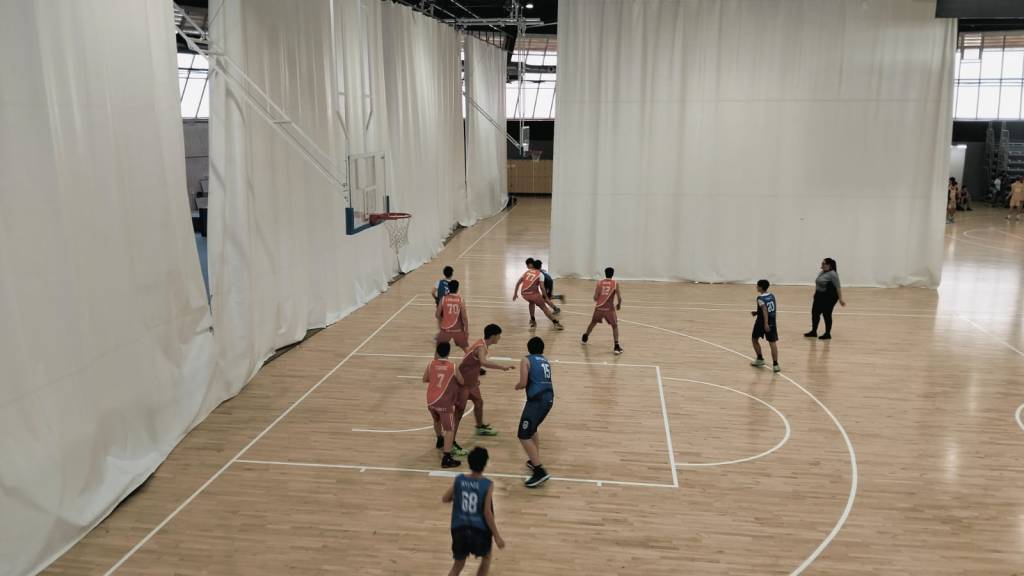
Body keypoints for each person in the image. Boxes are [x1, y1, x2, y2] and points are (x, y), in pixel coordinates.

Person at [442, 447, 505, 576]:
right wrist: (497, 535)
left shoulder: (459, 480)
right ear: (485, 464)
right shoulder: (487, 484)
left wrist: (459, 496)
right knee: (486, 558)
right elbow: (487, 512)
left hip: (459, 529)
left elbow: (445, 499)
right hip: (478, 530)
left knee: (458, 564)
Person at [456, 324, 514, 439]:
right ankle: (449, 438)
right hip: (462, 382)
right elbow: (483, 362)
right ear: (493, 336)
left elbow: (472, 362)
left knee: (479, 403)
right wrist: (502, 367)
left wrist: (475, 377)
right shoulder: (481, 347)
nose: (499, 338)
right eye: (498, 335)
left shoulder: (482, 343)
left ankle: (480, 427)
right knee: (459, 412)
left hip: (471, 382)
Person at [516, 337, 554, 488]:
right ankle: (534, 460)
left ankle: (539, 471)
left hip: (536, 401)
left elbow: (523, 382)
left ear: (528, 348)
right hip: (548, 399)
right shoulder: (545, 361)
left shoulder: (526, 360)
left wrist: (517, 386)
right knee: (532, 430)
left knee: (523, 434)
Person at [424, 342, 466, 468]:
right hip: (444, 401)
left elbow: (425, 379)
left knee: (436, 420)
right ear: (448, 352)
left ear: (437, 352)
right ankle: (446, 458)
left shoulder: (431, 364)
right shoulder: (452, 366)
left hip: (431, 400)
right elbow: (462, 381)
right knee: (449, 429)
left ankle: (439, 439)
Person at [581, 267, 623, 354]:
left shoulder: (599, 283)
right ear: (612, 274)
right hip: (609, 309)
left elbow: (595, 297)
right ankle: (616, 346)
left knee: (593, 322)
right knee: (614, 326)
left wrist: (601, 298)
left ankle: (585, 336)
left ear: (605, 273)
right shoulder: (615, 283)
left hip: (599, 308)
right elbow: (619, 297)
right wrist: (619, 305)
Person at [513, 259, 564, 330]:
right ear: (540, 267)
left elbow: (518, 282)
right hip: (534, 295)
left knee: (531, 302)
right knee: (544, 308)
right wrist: (545, 297)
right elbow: (542, 287)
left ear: (533, 265)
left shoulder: (527, 272)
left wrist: (515, 293)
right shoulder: (540, 274)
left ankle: (532, 320)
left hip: (524, 294)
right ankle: (556, 323)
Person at [804, 258, 846, 340]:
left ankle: (827, 334)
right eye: (822, 263)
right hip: (819, 296)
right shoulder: (822, 272)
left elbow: (838, 287)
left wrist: (840, 299)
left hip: (828, 298)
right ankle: (814, 331)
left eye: (823, 264)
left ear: (829, 265)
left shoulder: (833, 274)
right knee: (815, 313)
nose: (822, 265)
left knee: (826, 314)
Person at [750, 279, 780, 373]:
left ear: (760, 287)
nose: (756, 287)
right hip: (772, 321)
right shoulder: (772, 295)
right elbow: (769, 309)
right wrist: (757, 312)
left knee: (754, 339)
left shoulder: (760, 298)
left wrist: (765, 324)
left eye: (757, 285)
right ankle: (775, 365)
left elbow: (765, 311)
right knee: (772, 342)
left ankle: (760, 359)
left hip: (762, 322)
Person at [437, 280, 470, 352]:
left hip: (445, 329)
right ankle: (473, 359)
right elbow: (464, 317)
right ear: (457, 289)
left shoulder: (443, 299)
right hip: (458, 329)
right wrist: (466, 330)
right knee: (466, 350)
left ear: (448, 288)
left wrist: (442, 322)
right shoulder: (461, 300)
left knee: (439, 351)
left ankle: (439, 360)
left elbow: (437, 314)